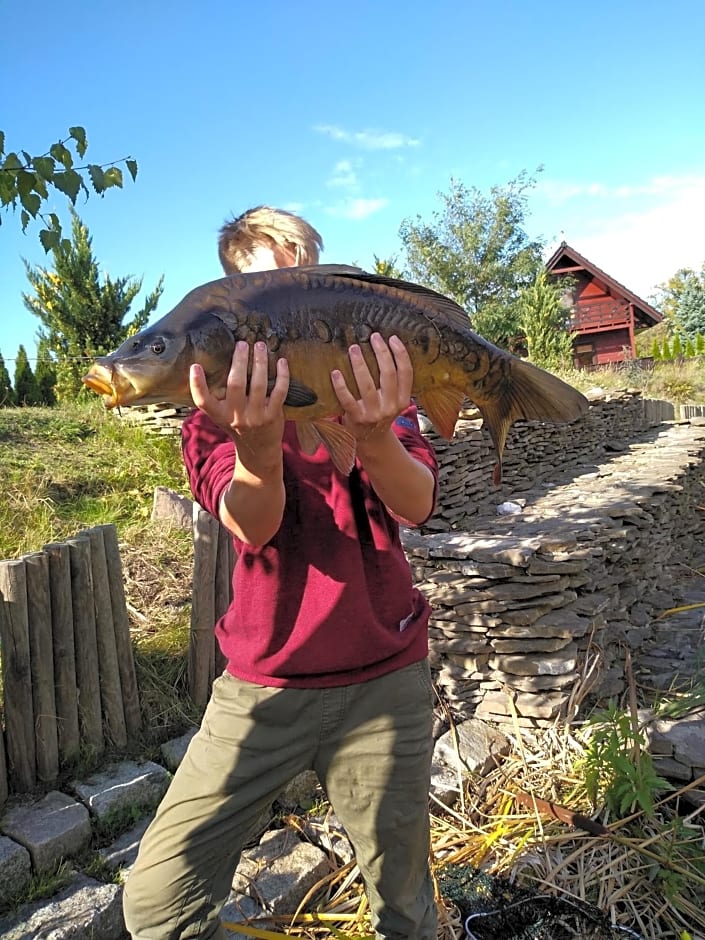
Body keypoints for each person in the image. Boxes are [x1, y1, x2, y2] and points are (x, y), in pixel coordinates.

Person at [123, 206, 440, 939]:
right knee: (155, 906)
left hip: (385, 678)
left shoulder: (377, 381)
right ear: (237, 306)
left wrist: (372, 434)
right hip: (265, 682)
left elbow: (416, 505)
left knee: (407, 913)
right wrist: (259, 451)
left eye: (304, 270)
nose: (292, 297)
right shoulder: (209, 410)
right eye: (272, 285)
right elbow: (250, 524)